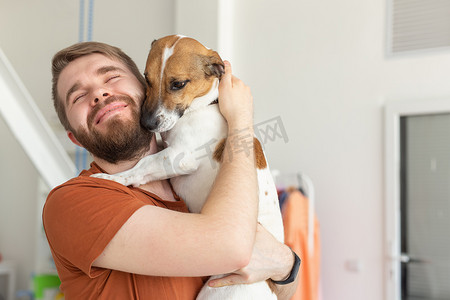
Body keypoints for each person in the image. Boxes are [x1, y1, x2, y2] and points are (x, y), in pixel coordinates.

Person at [43, 41, 299, 299]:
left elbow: (279, 291)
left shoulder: (191, 179)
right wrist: (241, 120)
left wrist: (285, 263)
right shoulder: (74, 202)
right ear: (74, 138)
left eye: (111, 77)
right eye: (78, 96)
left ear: (146, 88)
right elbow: (233, 248)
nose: (99, 94)